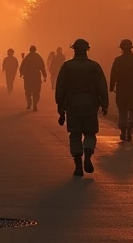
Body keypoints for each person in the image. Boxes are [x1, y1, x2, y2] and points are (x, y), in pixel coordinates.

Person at [56, 38, 109, 177]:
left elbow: (60, 87)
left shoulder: (67, 66)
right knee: (90, 133)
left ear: (74, 49)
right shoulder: (94, 66)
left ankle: (78, 164)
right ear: (87, 49)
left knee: (75, 134)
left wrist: (60, 105)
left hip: (72, 104)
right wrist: (105, 103)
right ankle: (88, 155)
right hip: (90, 104)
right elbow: (102, 86)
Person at [18, 45, 47, 111]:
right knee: (36, 91)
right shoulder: (38, 57)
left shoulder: (27, 57)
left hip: (28, 76)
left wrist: (21, 72)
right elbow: (42, 67)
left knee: (28, 91)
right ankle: (34, 104)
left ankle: (30, 103)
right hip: (35, 76)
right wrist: (44, 75)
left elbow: (22, 66)